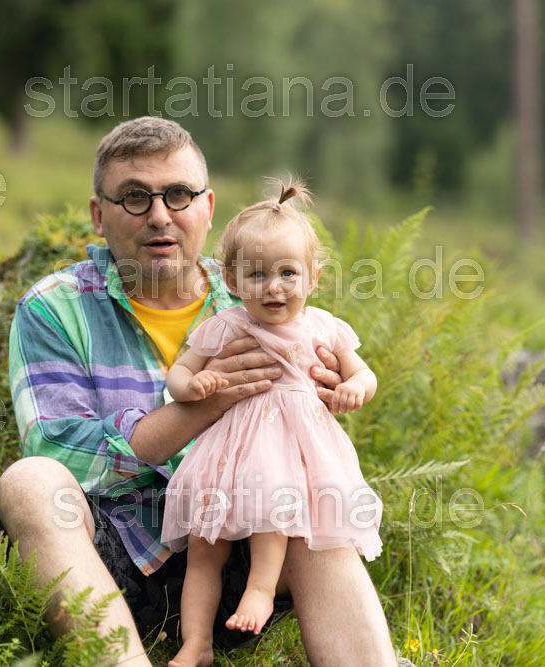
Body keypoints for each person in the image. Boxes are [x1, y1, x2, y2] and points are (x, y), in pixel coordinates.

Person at [0, 116, 397, 666]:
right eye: (134, 197)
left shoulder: (261, 295)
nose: (160, 215)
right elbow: (58, 450)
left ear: (207, 208)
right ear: (99, 214)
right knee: (29, 483)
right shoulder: (54, 307)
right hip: (113, 558)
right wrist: (204, 406)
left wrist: (331, 392)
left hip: (247, 553)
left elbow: (323, 403)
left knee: (306, 495)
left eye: (178, 195)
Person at [161, 179, 383, 667]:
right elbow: (179, 372)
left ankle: (260, 592)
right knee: (203, 546)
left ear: (313, 276)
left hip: (292, 456)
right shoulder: (227, 326)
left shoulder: (324, 327)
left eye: (288, 272)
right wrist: (191, 386)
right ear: (233, 280)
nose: (274, 286)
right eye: (257, 274)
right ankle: (195, 642)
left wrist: (354, 389)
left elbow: (363, 374)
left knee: (276, 510)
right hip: (228, 454)